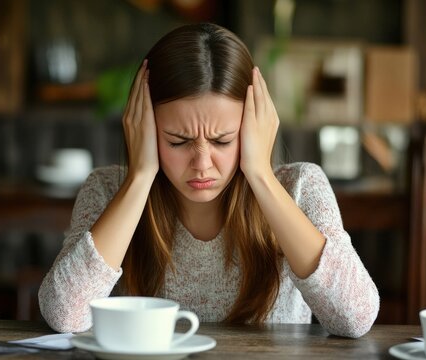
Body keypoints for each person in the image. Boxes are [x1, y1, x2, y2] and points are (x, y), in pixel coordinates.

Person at [38, 23, 379, 338]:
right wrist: (140, 177)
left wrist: (260, 174)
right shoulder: (106, 190)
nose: (202, 163)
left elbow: (355, 317)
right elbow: (64, 314)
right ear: (143, 128)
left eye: (222, 140)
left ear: (253, 128)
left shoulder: (301, 186)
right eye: (177, 140)